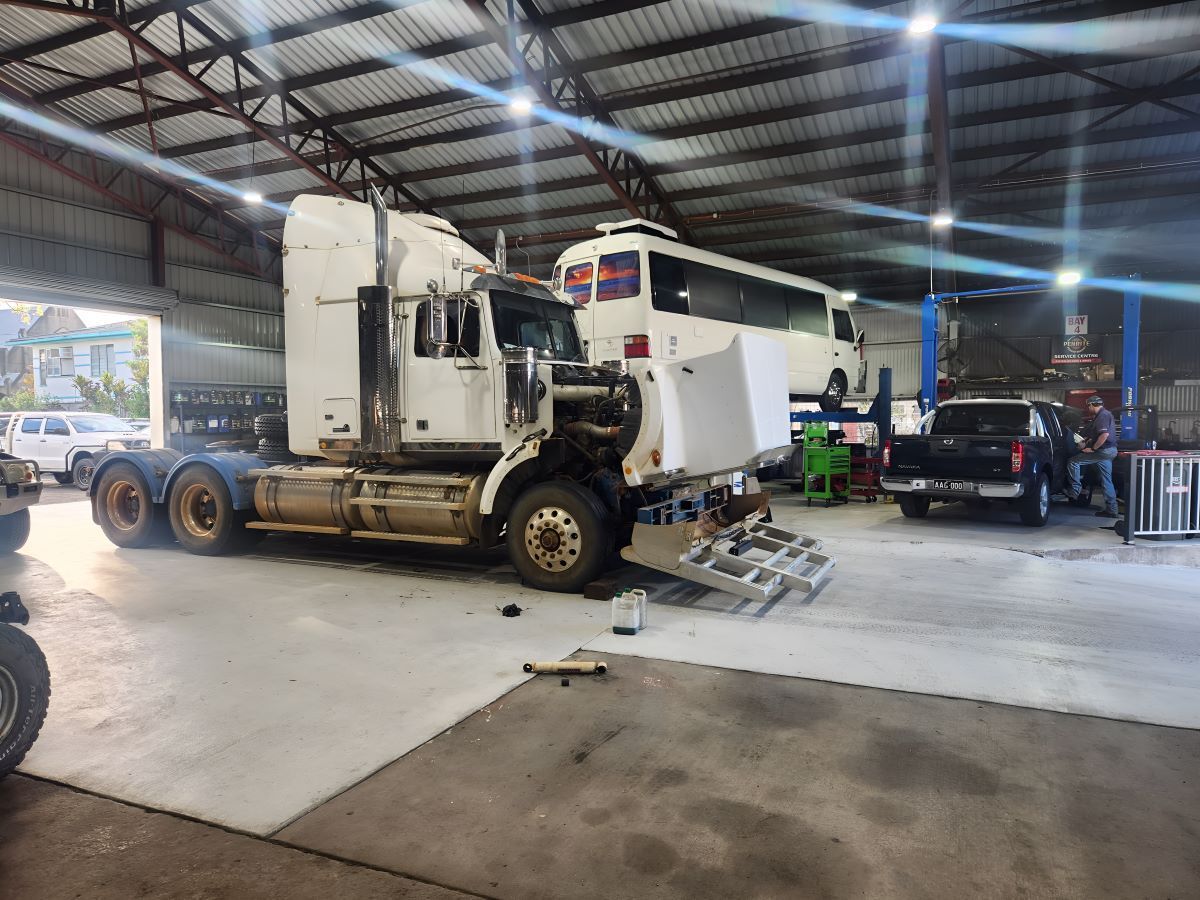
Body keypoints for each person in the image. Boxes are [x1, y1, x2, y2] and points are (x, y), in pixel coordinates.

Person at [1067, 396, 1119, 517]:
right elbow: (1094, 434)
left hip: (1103, 451)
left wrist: (1093, 448)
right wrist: (1085, 440)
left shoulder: (1102, 416)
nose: (1088, 408)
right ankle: (1112, 510)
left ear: (1091, 405)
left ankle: (1075, 491)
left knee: (1073, 462)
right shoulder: (1103, 415)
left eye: (1088, 406)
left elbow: (1104, 435)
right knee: (1106, 481)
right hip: (1109, 452)